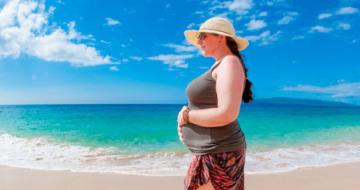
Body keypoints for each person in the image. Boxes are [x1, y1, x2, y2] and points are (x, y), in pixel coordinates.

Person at [177, 17, 253, 190]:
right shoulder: (221, 65)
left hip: (219, 153)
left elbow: (227, 113)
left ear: (221, 37)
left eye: (204, 36)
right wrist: (184, 118)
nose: (199, 41)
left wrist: (187, 116)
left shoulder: (229, 62)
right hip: (213, 151)